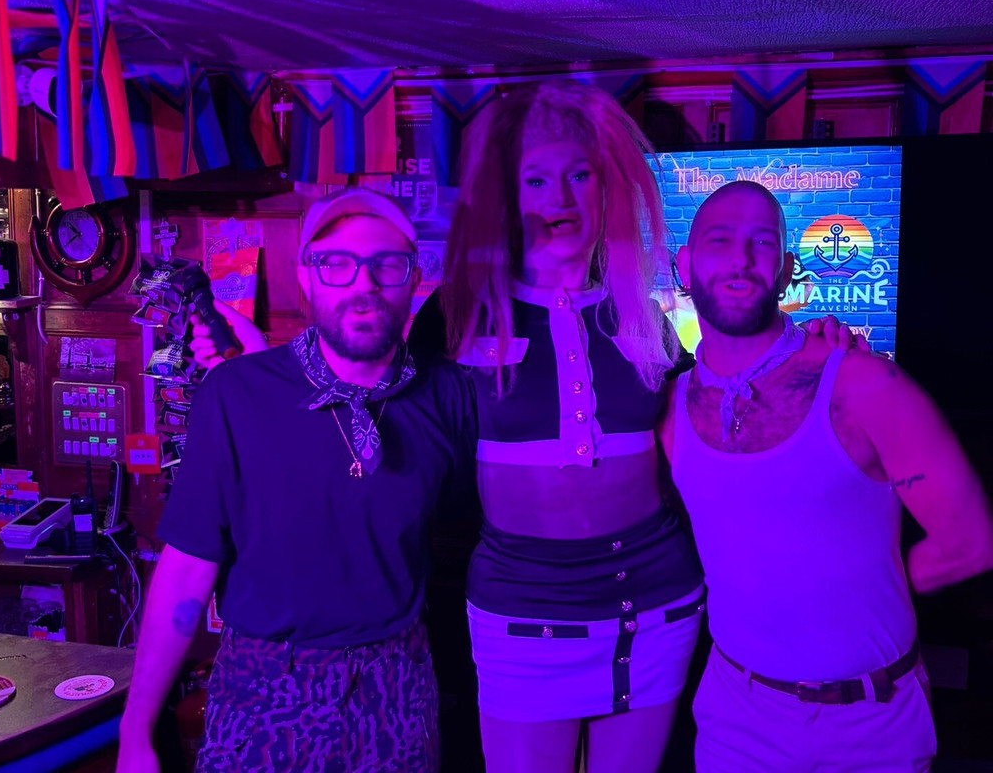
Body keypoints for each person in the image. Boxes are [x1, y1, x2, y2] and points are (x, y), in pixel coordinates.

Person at [190, 82, 859, 773]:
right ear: (507, 197)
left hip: (658, 605)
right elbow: (375, 392)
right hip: (522, 615)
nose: (559, 198)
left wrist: (808, 350)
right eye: (535, 180)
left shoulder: (641, 310)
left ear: (605, 191)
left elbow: (719, 401)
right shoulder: (458, 314)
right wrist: (267, 371)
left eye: (579, 176)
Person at [117, 188, 477, 773]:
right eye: (337, 264)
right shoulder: (237, 394)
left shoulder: (448, 397)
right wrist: (136, 732)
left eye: (387, 264)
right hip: (263, 690)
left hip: (397, 689)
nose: (363, 284)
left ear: (414, 280)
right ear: (306, 279)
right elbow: (186, 568)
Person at [659, 180, 993, 773]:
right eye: (720, 240)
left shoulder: (864, 386)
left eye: (762, 242)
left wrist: (851, 589)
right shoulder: (668, 410)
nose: (741, 258)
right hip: (736, 716)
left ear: (787, 271)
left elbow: (972, 542)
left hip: (870, 720)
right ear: (684, 265)